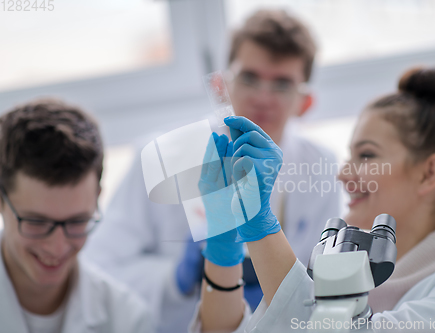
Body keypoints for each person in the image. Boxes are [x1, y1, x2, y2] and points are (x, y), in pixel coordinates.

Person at [83, 9, 342, 333]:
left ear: (305, 102)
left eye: (282, 84)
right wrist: (175, 279)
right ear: (222, 84)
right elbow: (97, 270)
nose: (263, 96)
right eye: (249, 77)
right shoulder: (160, 156)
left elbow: (330, 289)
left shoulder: (320, 167)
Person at [190, 67, 435, 332]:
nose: (342, 175)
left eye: (367, 155)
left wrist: (259, 224)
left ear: (429, 173)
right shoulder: (347, 286)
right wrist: (222, 250)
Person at [0, 99, 153, 333]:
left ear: (97, 198)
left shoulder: (127, 319)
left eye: (77, 221)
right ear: (2, 201)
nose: (57, 246)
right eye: (36, 222)